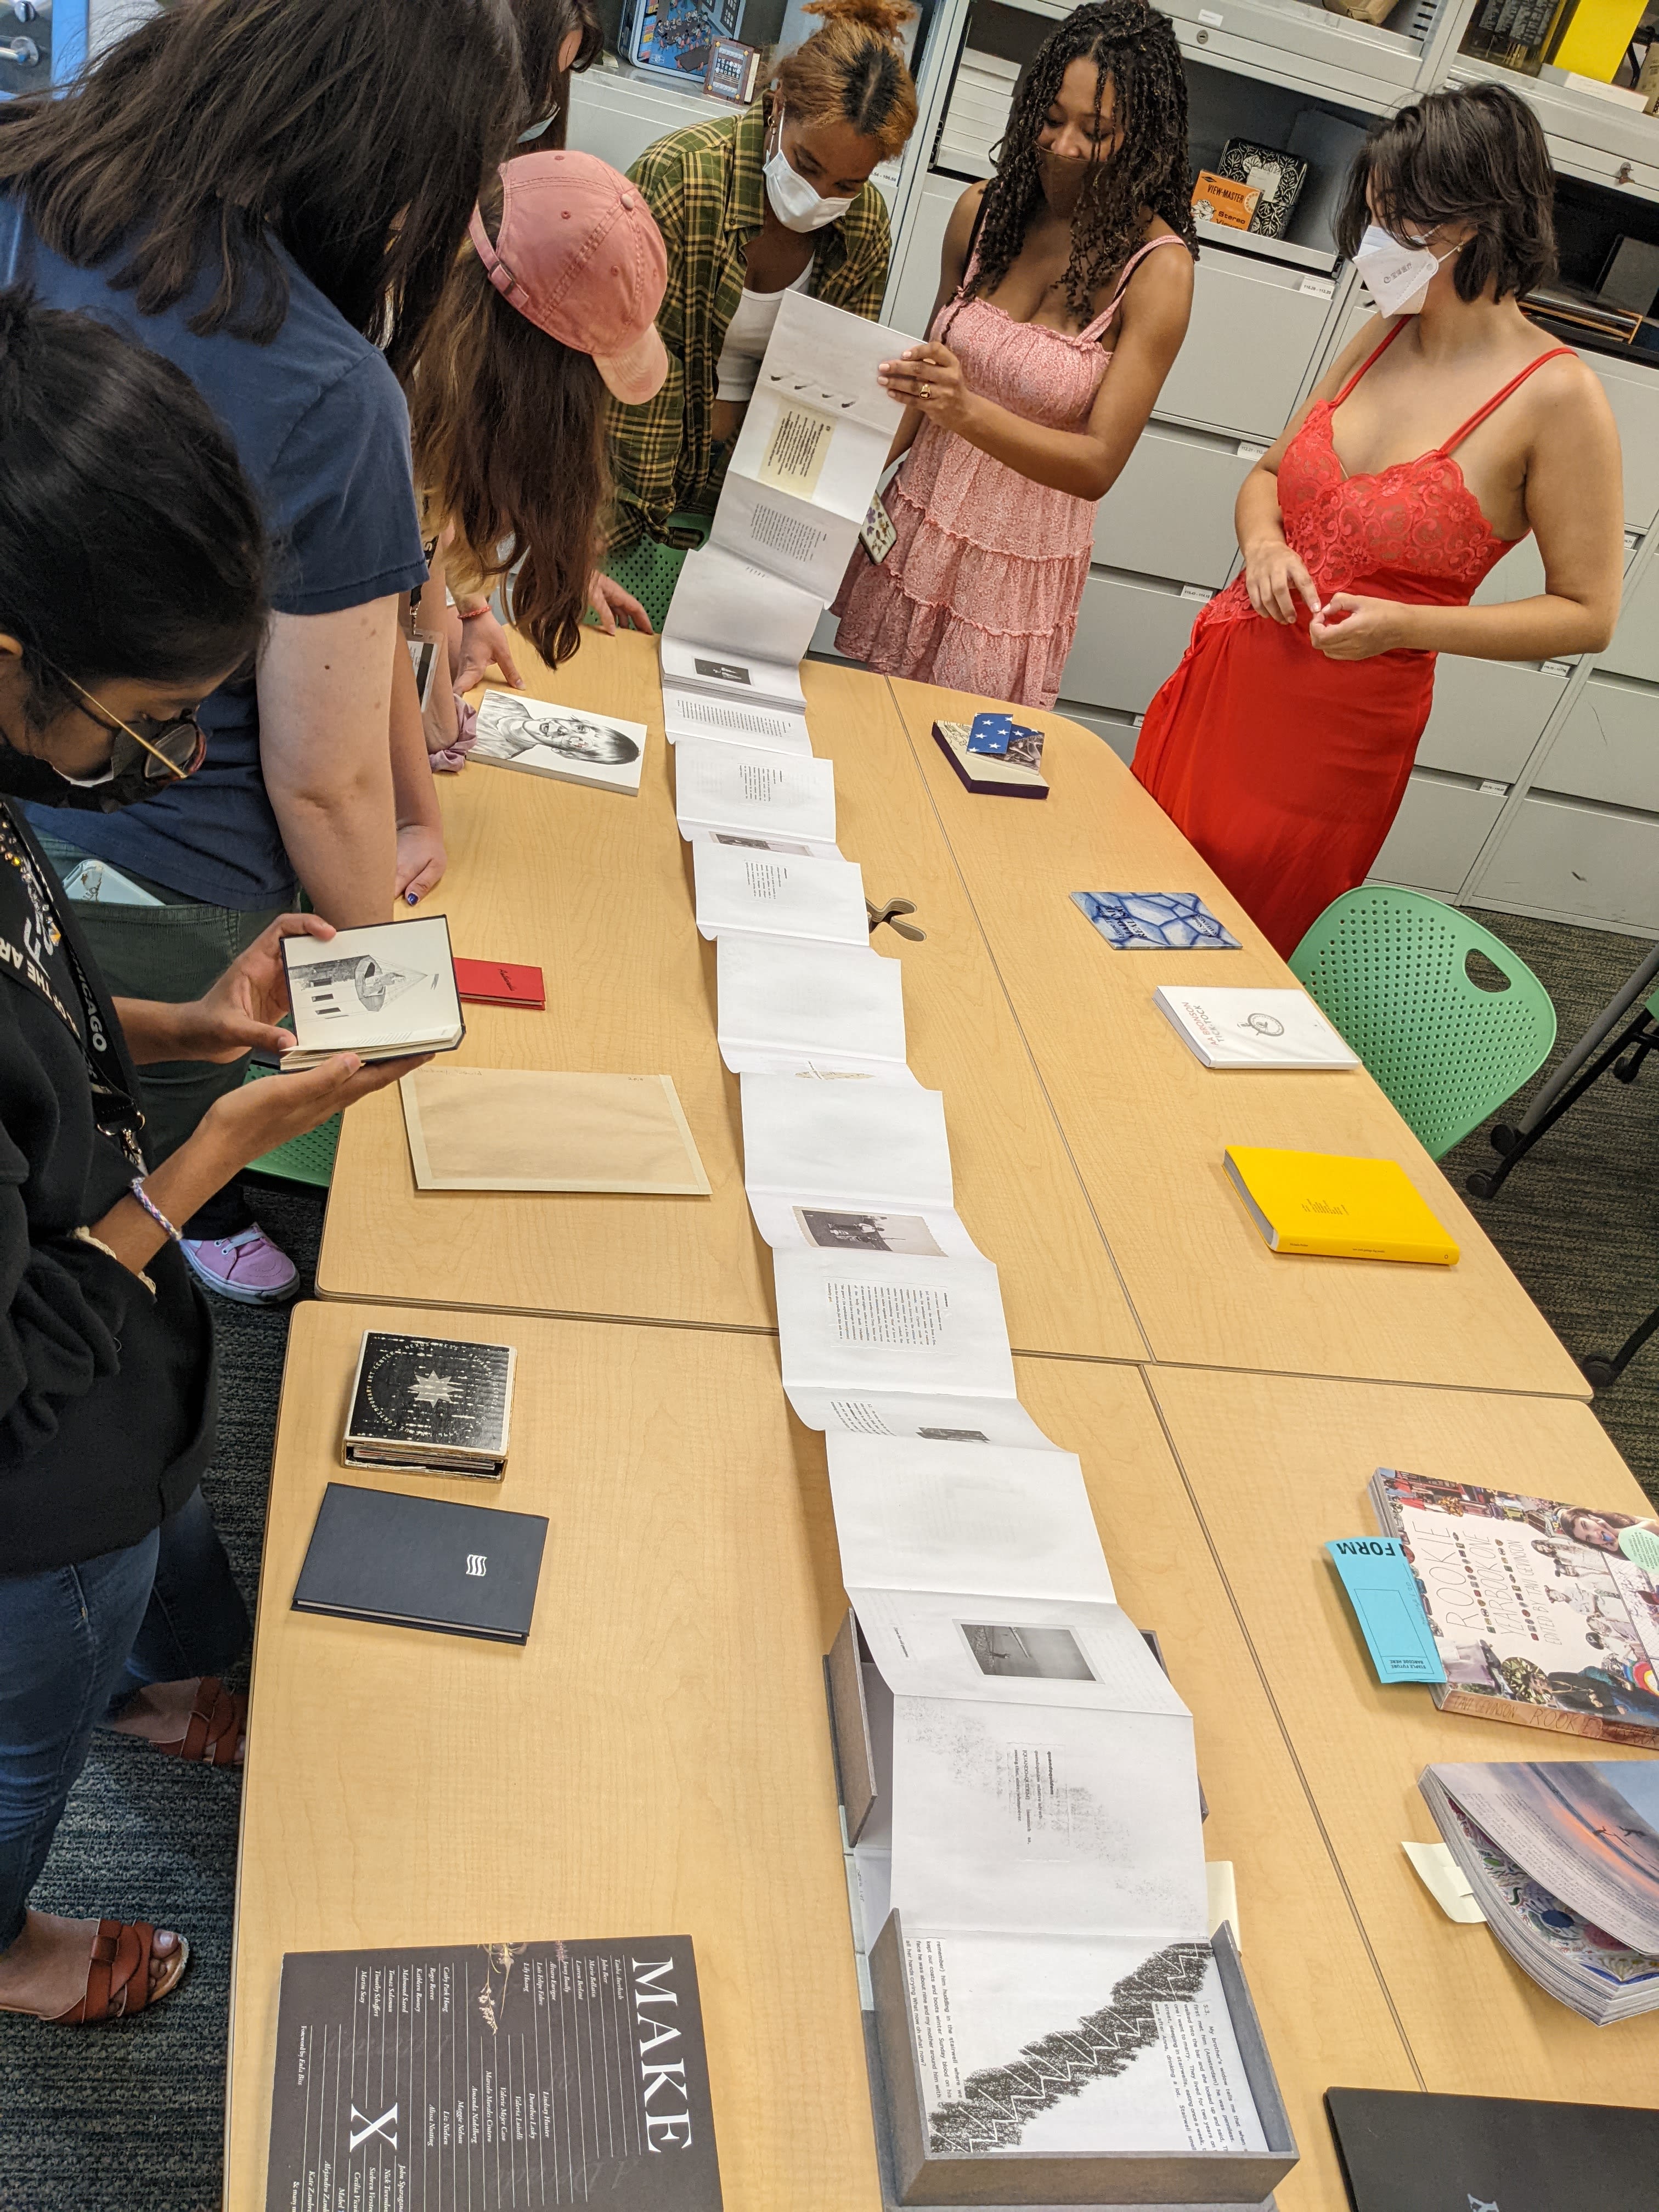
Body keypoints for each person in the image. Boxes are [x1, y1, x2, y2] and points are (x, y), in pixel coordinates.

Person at [0, 0, 566, 1304]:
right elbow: (325, 772)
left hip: (52, 847)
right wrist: (384, 1004)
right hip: (184, 877)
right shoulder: (321, 375)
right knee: (93, 1237)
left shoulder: (28, 180)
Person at [0, 292, 422, 2025]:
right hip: (35, 1463)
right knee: (26, 1726)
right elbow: (15, 1374)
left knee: (129, 1602)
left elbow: (33, 1021)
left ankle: (143, 1684)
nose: (154, 765)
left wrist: (185, 1030)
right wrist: (217, 1153)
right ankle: (11, 1942)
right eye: (144, 723)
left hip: (114, 1371)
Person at [1132, 84, 1623, 958]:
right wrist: (1265, 543)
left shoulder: (1559, 397)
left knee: (1227, 962)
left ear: (1478, 223)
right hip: (1226, 680)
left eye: (1402, 229)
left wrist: (1407, 623)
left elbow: (1588, 613)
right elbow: (1270, 474)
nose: (1376, 250)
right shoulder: (1384, 332)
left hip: (1333, 742)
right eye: (1372, 222)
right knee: (1127, 899)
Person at [832, 0, 1195, 709]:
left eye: (1096, 131)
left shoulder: (1158, 271)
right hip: (919, 525)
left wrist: (966, 411)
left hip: (1011, 573)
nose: (1061, 146)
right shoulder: (982, 212)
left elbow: (1097, 466)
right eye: (1051, 118)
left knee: (958, 773)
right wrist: (843, 481)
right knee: (865, 735)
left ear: (1144, 137)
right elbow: (925, 382)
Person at [603, 0, 918, 586]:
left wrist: (774, 541)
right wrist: (617, 534)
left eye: (847, 184)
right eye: (806, 164)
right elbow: (625, 380)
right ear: (777, 106)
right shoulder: (682, 178)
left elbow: (828, 401)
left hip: (757, 505)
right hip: (631, 488)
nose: (818, 195)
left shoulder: (864, 226)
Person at [406, 149, 670, 754]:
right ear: (537, 392)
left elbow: (429, 537)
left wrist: (472, 611)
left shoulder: (442, 365)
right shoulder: (379, 414)